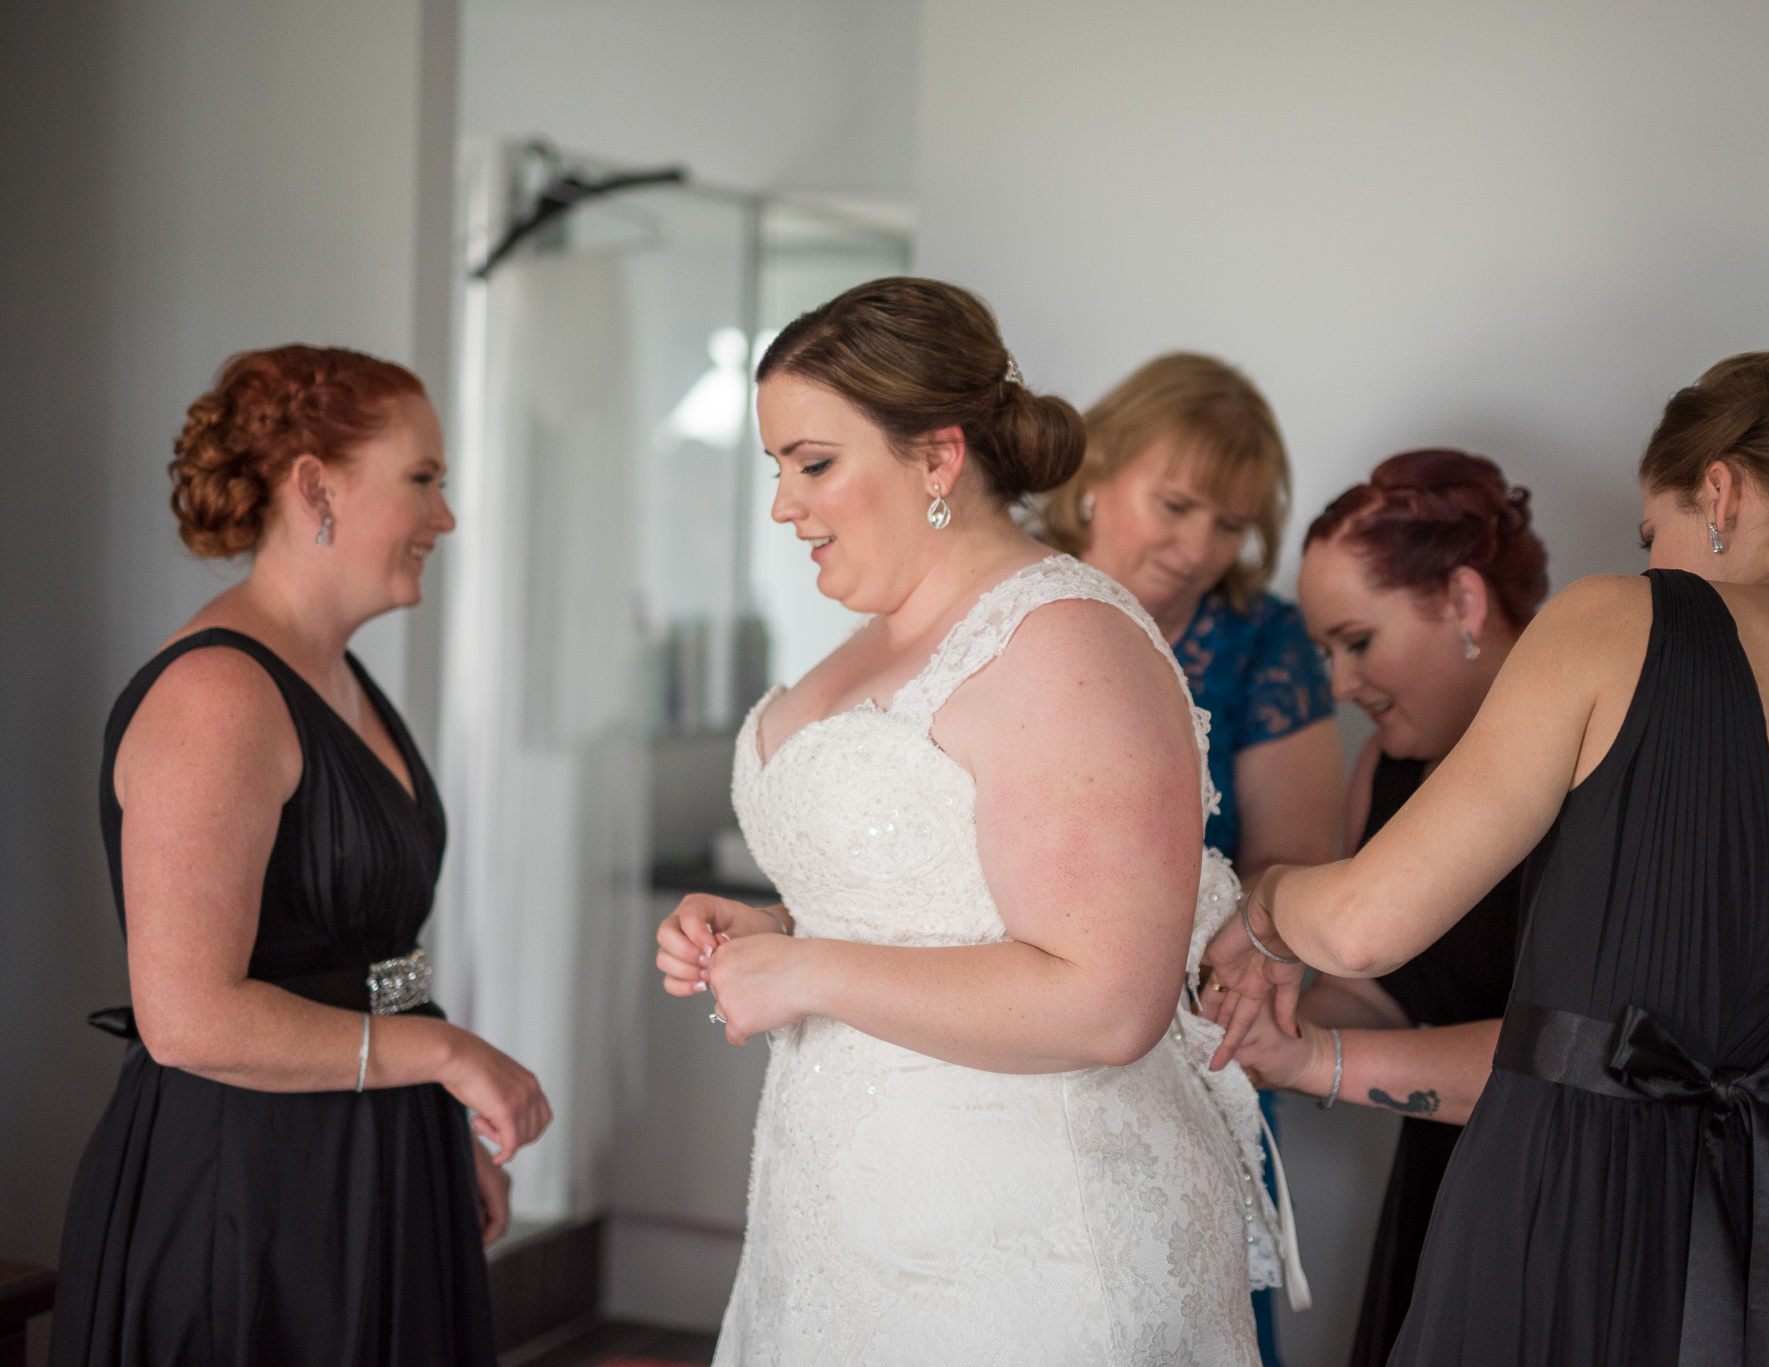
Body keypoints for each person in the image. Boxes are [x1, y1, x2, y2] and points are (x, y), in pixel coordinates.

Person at [1207, 351, 1769, 1366]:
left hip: (1551, 1236)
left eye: (1654, 533)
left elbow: (1359, 927)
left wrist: (1260, 904)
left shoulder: (1621, 621)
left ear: (1721, 489)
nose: (1650, 561)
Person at [653, 280, 1295, 1367]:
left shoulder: (1062, 643)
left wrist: (810, 971)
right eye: (778, 469)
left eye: (812, 463)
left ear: (936, 458)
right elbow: (934, 898)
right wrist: (774, 924)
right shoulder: (882, 634)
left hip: (1026, 1242)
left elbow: (1105, 1002)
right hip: (842, 1228)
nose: (784, 505)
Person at [53, 346, 552, 1367]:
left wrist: (441, 1135)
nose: (444, 518)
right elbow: (188, 1016)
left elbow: (357, 956)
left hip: (371, 1151)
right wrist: (453, 1058)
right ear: (315, 482)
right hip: (250, 1190)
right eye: (423, 479)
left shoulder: (338, 676)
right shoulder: (218, 695)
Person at [1038, 353, 1340, 1365]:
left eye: (1229, 523)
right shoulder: (1000, 597)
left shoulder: (1261, 640)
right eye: (1175, 504)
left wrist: (1209, 972)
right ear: (1094, 470)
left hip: (1186, 1023)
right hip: (1000, 1007)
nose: (1199, 546)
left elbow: (1293, 861)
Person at [1226, 451, 1544, 1366]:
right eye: (1325, 651)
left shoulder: (1606, 767)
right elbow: (1379, 988)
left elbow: (1579, 1049)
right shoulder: (1390, 768)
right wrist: (1255, 1021)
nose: (1336, 685)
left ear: (1464, 604)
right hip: (1447, 1183)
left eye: (1356, 642)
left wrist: (1315, 1052)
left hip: (1577, 1187)